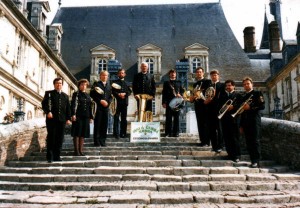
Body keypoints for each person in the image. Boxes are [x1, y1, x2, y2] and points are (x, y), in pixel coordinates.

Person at [41, 77, 71, 163]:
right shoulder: (49, 93)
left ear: (62, 85)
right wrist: (48, 112)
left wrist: (68, 118)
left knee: (60, 138)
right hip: (51, 120)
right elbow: (44, 104)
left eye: (60, 83)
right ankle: (50, 157)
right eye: (57, 83)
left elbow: (68, 108)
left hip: (62, 120)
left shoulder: (65, 96)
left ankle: (57, 156)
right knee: (51, 137)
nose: (59, 85)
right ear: (54, 84)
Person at [239, 76, 265, 168]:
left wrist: (250, 107)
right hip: (246, 122)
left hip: (254, 121)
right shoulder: (243, 97)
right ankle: (252, 160)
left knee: (255, 141)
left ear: (252, 84)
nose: (246, 85)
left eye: (248, 84)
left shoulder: (257, 93)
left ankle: (256, 161)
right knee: (249, 142)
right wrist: (241, 125)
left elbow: (262, 106)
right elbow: (241, 112)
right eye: (244, 84)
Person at [218, 80, 241, 162]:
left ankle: (236, 155)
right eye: (226, 86)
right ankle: (230, 154)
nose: (228, 87)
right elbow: (220, 107)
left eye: (229, 85)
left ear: (233, 86)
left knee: (235, 138)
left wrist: (233, 107)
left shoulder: (238, 95)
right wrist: (225, 107)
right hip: (225, 119)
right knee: (227, 138)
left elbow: (241, 106)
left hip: (234, 120)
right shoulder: (223, 96)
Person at [70, 79, 93, 156]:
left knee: (83, 134)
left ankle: (81, 150)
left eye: (85, 85)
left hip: (86, 116)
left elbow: (90, 107)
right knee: (77, 133)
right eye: (82, 85)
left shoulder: (88, 95)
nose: (84, 86)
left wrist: (91, 117)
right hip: (78, 116)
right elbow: (73, 104)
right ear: (79, 86)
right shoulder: (76, 94)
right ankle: (76, 151)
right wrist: (73, 114)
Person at [204, 69, 225, 153]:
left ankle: (220, 146)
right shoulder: (209, 86)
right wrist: (206, 101)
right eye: (212, 75)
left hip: (219, 110)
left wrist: (215, 96)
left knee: (219, 129)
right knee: (211, 129)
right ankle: (214, 146)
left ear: (218, 76)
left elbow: (223, 97)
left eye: (215, 75)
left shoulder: (222, 85)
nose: (213, 76)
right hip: (210, 110)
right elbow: (206, 97)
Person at [90, 70, 112, 147]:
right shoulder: (96, 84)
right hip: (98, 107)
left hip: (106, 108)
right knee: (98, 124)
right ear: (100, 76)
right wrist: (100, 101)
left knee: (104, 124)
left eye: (106, 75)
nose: (105, 77)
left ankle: (103, 141)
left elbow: (110, 97)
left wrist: (108, 103)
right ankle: (96, 141)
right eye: (103, 75)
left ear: (107, 77)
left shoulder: (109, 85)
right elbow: (92, 94)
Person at [190, 67, 210, 146]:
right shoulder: (195, 84)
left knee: (206, 123)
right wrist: (193, 97)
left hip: (205, 104)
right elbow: (192, 95)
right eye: (197, 72)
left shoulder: (207, 82)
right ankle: (202, 140)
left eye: (200, 72)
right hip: (198, 105)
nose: (198, 73)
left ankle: (207, 141)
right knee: (200, 123)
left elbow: (210, 92)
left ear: (203, 73)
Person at [162, 69, 184, 137]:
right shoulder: (166, 83)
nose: (173, 74)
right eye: (171, 73)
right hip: (169, 102)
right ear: (169, 74)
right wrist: (163, 102)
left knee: (176, 118)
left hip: (177, 102)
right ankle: (168, 133)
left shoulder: (179, 82)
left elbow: (182, 91)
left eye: (174, 73)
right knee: (168, 118)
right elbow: (164, 93)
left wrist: (180, 94)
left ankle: (176, 133)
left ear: (176, 74)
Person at [111, 69, 132, 139]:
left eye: (122, 73)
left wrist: (125, 94)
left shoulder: (127, 83)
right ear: (118, 75)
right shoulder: (114, 83)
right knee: (116, 118)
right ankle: (116, 133)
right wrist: (118, 94)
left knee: (124, 118)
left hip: (124, 103)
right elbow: (112, 91)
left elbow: (130, 92)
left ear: (124, 74)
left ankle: (123, 133)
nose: (121, 74)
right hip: (117, 102)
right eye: (120, 73)